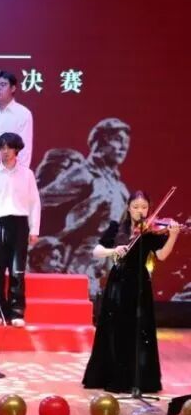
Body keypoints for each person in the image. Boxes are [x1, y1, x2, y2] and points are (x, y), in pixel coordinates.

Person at [82, 191, 180, 393]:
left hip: (139, 283)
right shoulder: (117, 227)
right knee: (115, 328)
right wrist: (113, 251)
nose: (140, 211)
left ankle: (138, 379)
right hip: (118, 282)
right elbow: (97, 251)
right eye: (136, 207)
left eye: (144, 207)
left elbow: (161, 256)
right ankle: (112, 375)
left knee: (138, 328)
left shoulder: (150, 232)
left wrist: (173, 236)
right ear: (128, 208)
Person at [35, 117, 131, 299]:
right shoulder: (84, 174)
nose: (123, 147)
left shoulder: (120, 187)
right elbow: (41, 201)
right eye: (118, 140)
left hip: (103, 265)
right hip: (78, 265)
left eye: (126, 143)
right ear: (100, 142)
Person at [0, 132, 41, 327]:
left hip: (19, 223)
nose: (5, 151)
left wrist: (34, 229)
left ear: (16, 150)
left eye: (9, 148)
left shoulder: (27, 174)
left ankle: (16, 312)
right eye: (2, 148)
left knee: (17, 271)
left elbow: (34, 203)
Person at [0, 70, 35, 168]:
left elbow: (25, 148)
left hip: (11, 169)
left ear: (13, 88)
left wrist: (21, 172)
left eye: (3, 85)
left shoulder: (23, 113)